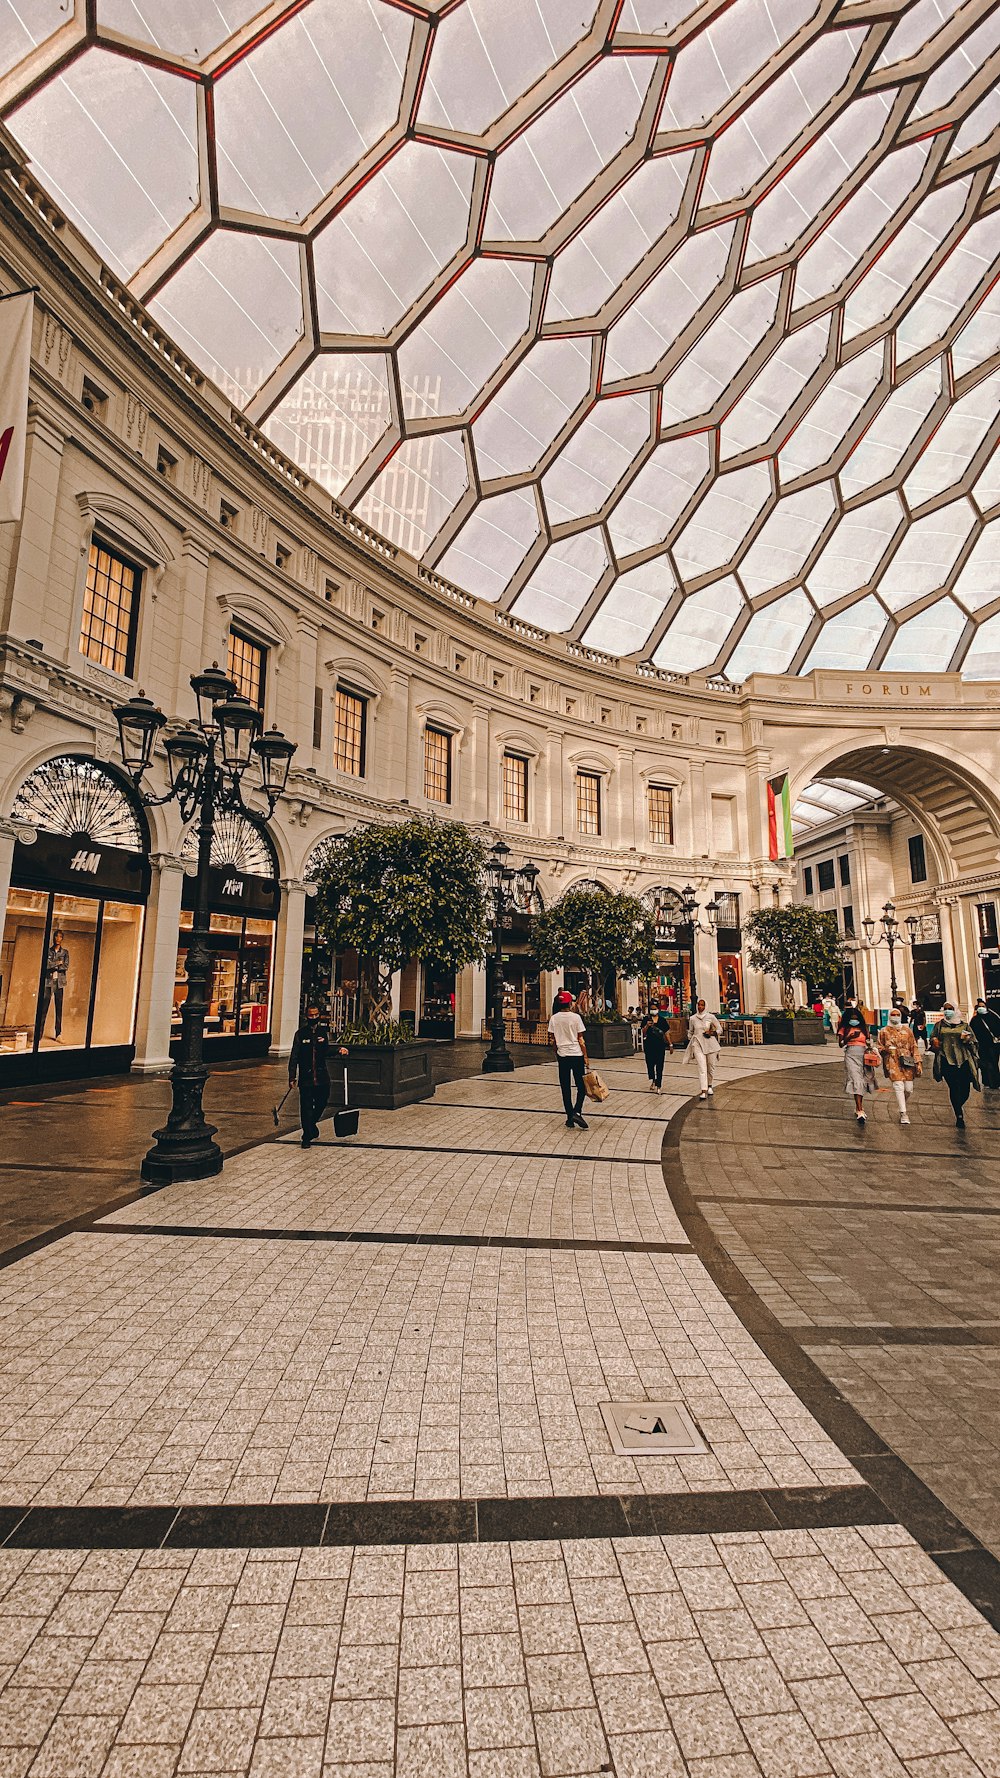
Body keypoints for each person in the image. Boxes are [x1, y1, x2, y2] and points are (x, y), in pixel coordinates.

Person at [288, 1004, 332, 1147]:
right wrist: (292, 1076)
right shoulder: (300, 1034)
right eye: (310, 1015)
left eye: (315, 1015)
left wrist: (339, 1050)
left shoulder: (322, 1032)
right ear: (306, 1016)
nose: (313, 1018)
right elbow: (294, 1056)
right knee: (306, 1106)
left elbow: (326, 1051)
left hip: (321, 1076)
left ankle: (311, 1124)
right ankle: (306, 1136)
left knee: (322, 1101)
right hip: (306, 1078)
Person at [931, 1003, 980, 1129]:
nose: (948, 1011)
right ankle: (959, 1115)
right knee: (953, 1087)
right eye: (946, 1009)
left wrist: (968, 1040)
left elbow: (974, 1041)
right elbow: (933, 1038)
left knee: (965, 1090)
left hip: (963, 1060)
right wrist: (934, 1042)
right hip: (946, 1060)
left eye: (950, 1009)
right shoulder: (939, 1025)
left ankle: (959, 1104)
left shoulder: (964, 1025)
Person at [548, 988, 589, 1130]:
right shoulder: (576, 1018)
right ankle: (577, 1111)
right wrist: (586, 1057)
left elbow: (552, 1040)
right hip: (576, 1054)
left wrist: (557, 1052)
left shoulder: (554, 1018)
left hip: (562, 1055)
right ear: (570, 1003)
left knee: (565, 1087)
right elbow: (581, 1039)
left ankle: (569, 1117)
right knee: (581, 1086)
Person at [877, 1006, 921, 1125]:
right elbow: (879, 1046)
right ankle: (903, 1113)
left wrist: (918, 1061)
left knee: (908, 1089)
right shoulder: (884, 1031)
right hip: (892, 1060)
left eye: (897, 1015)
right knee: (898, 1085)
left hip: (907, 1060)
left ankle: (903, 1103)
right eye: (893, 1015)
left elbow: (914, 1046)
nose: (895, 1017)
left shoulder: (907, 1031)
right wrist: (885, 1050)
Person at [839, 996, 875, 1125]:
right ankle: (859, 1109)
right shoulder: (845, 1029)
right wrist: (849, 1038)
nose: (854, 1021)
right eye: (852, 1019)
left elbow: (869, 1042)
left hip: (863, 1055)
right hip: (851, 1055)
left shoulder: (864, 1029)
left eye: (856, 1019)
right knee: (856, 1080)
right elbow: (841, 1044)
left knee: (864, 1080)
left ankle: (860, 1106)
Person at [686, 999, 722, 1101]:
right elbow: (691, 1031)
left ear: (705, 1006)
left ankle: (710, 1085)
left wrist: (712, 1032)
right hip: (698, 1044)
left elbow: (720, 1029)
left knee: (710, 1067)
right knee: (702, 1067)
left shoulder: (711, 1017)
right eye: (699, 1005)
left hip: (710, 1044)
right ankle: (703, 1090)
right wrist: (692, 1040)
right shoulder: (693, 1018)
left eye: (702, 1005)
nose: (700, 1007)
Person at [41, 928, 70, 1040]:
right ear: (53, 937)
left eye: (60, 937)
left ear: (62, 939)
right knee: (43, 1009)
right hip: (48, 983)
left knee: (59, 1009)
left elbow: (65, 966)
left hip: (59, 984)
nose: (58, 939)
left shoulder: (65, 952)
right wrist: (58, 963)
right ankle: (39, 1035)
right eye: (56, 936)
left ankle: (58, 1034)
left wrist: (54, 965)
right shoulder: (48, 951)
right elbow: (46, 966)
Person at [970, 997, 1000, 1090]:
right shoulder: (975, 1019)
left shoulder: (993, 1017)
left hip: (993, 1045)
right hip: (981, 1046)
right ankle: (986, 1081)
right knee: (984, 1064)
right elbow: (971, 1031)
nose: (981, 1008)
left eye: (982, 1006)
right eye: (979, 1007)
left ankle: (995, 1082)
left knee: (993, 1063)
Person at [642, 1011, 671, 1094]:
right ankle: (653, 1079)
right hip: (649, 1046)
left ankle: (659, 1085)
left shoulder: (662, 1020)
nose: (653, 1010)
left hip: (660, 1046)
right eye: (652, 1009)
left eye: (655, 1008)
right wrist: (647, 1025)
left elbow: (667, 1032)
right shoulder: (646, 1019)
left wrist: (670, 1044)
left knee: (659, 1065)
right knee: (650, 1064)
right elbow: (643, 1033)